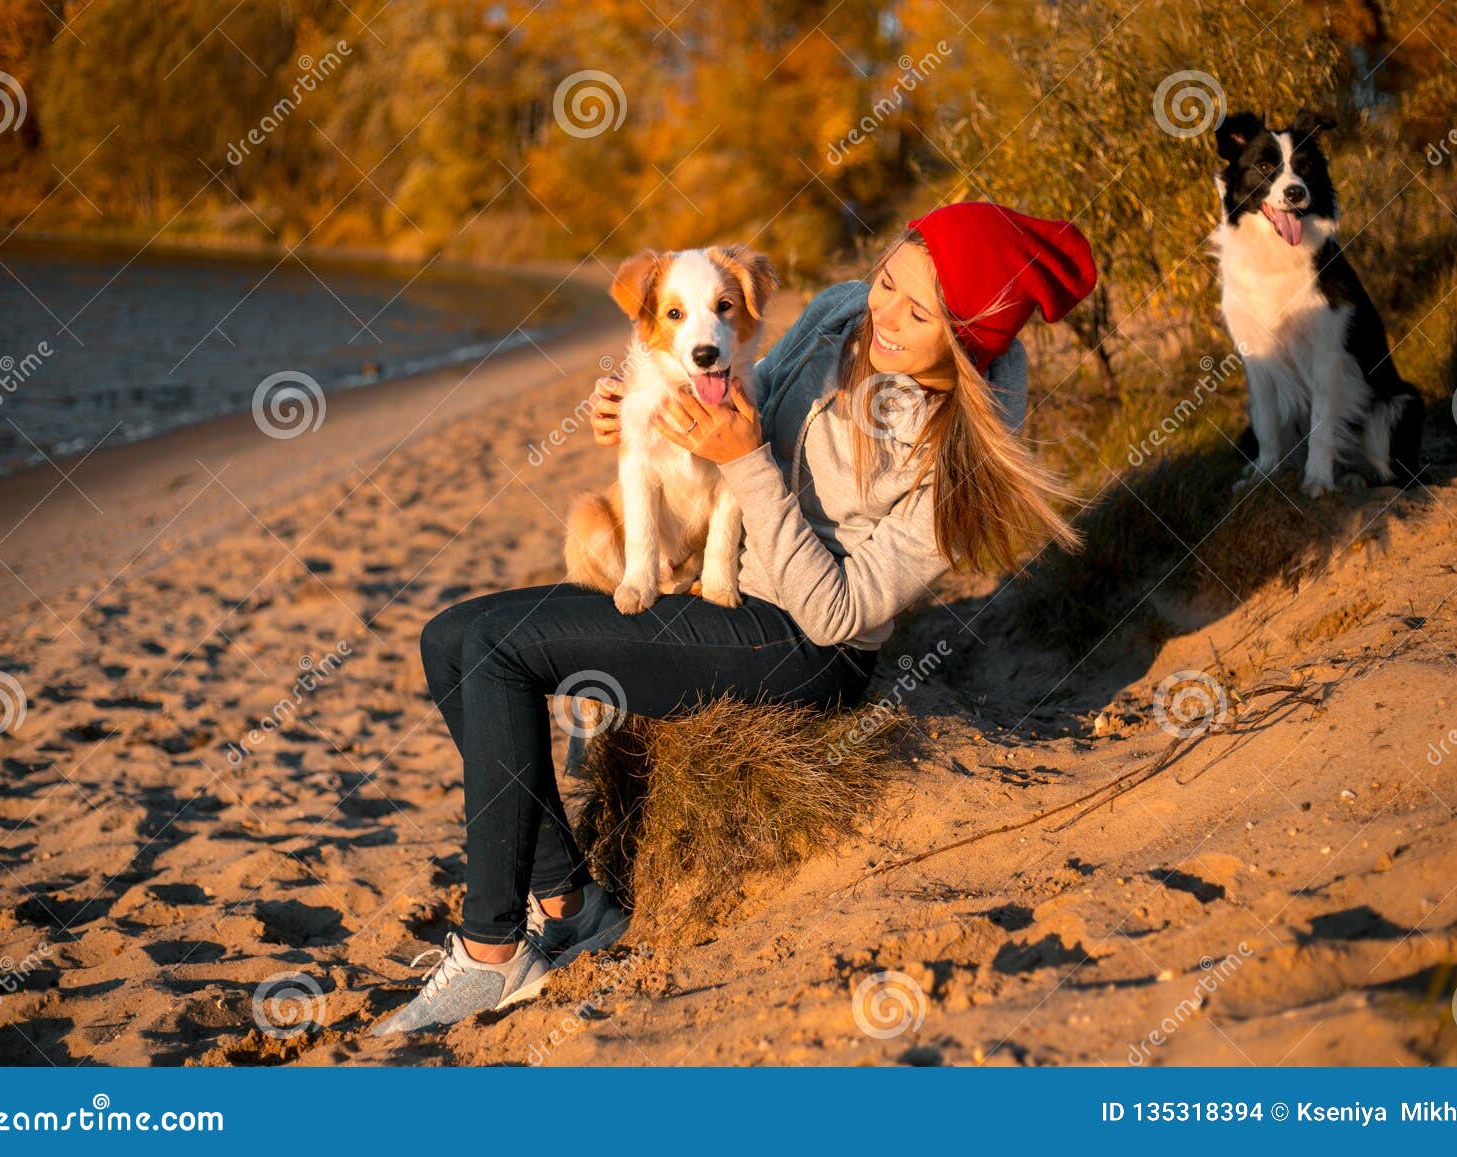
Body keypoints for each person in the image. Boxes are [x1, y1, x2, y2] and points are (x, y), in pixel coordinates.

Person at [373, 201, 1097, 1034]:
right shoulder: (839, 314)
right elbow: (723, 393)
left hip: (795, 642)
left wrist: (745, 462)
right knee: (449, 638)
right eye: (890, 278)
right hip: (710, 582)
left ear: (967, 337)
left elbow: (837, 613)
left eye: (918, 311)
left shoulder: (956, 452)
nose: (883, 313)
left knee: (498, 649)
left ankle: (491, 952)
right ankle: (570, 904)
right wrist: (643, 418)